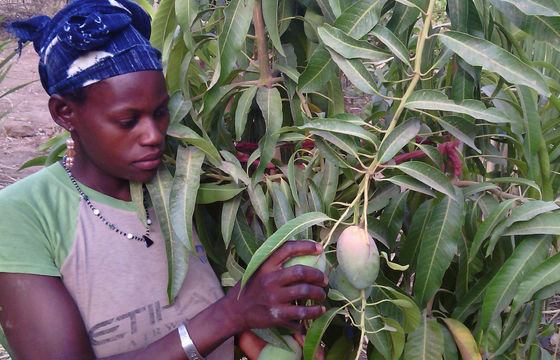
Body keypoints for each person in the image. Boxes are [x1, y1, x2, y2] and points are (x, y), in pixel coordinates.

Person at [0, 1, 327, 359]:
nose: (154, 135)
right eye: (128, 121)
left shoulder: (188, 185)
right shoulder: (22, 215)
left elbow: (206, 297)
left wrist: (258, 342)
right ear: (65, 113)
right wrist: (231, 315)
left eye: (160, 113)